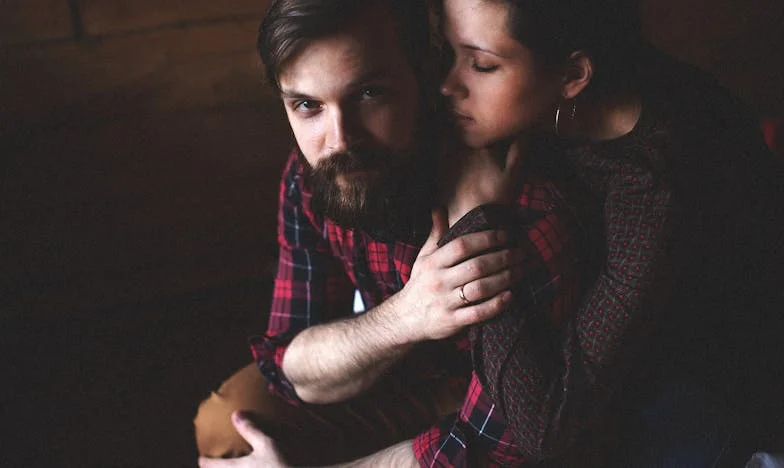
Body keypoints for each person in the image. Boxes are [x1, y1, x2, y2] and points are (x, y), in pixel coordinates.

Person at [195, 0, 585, 466]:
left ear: (424, 76)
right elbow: (286, 364)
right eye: (307, 105)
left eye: (368, 94)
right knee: (230, 425)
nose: (339, 140)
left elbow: (504, 447)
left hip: (524, 417)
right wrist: (408, 316)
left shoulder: (520, 207)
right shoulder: (315, 175)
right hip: (412, 380)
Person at [435, 0, 784, 466]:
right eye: (447, 53)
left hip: (721, 383)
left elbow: (545, 426)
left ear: (574, 76)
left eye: (481, 64)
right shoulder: (552, 91)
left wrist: (475, 221)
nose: (447, 84)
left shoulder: (653, 185)